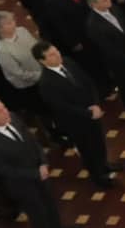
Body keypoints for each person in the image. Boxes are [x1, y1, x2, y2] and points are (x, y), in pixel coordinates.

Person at [0, 95, 77, 228]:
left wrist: (43, 162)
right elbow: (5, 170)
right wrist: (35, 173)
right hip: (23, 184)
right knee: (38, 215)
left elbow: (33, 142)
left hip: (40, 174)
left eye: (4, 107)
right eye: (0, 111)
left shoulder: (13, 118)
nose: (6, 112)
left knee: (50, 204)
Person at [35, 40, 117, 190]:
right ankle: (98, 177)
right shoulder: (46, 83)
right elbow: (62, 107)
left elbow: (88, 82)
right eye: (52, 55)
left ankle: (105, 165)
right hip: (77, 122)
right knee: (88, 149)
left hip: (93, 112)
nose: (57, 55)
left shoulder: (68, 62)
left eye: (56, 51)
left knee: (99, 141)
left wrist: (95, 104)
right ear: (42, 61)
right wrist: (88, 113)